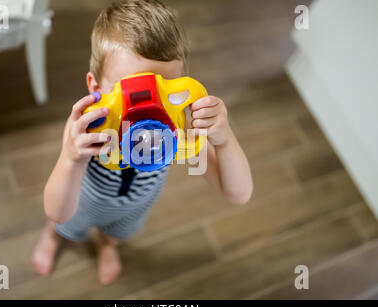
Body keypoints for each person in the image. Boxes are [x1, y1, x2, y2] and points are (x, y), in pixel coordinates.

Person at [32, 0, 253, 285]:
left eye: (162, 91)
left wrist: (224, 140)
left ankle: (106, 246)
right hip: (78, 204)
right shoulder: (86, 130)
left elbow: (237, 194)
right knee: (63, 226)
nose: (147, 111)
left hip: (133, 209)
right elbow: (58, 210)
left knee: (116, 236)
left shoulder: (180, 130)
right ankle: (51, 237)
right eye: (133, 92)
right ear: (96, 88)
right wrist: (72, 158)